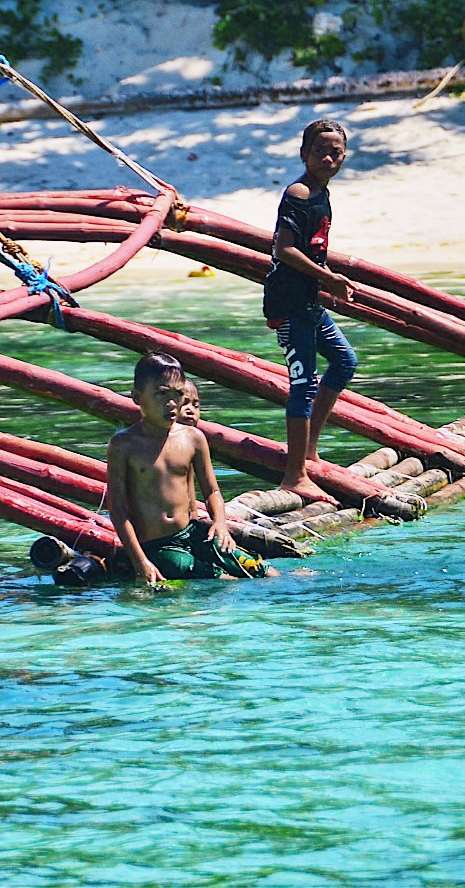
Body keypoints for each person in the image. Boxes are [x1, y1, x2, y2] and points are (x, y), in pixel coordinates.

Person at [106, 352, 270, 584]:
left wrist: (220, 525)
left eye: (178, 394)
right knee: (224, 582)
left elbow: (212, 491)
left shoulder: (193, 438)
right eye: (161, 394)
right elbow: (118, 511)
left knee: (262, 572)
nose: (172, 404)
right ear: (137, 397)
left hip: (195, 533)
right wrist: (140, 561)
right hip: (158, 546)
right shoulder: (124, 445)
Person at [264, 118, 358, 503]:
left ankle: (308, 450)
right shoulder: (299, 194)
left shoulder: (322, 194)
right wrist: (328, 277)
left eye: (335, 151)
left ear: (344, 157)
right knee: (302, 386)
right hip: (288, 304)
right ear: (304, 155)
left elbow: (311, 245)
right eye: (320, 150)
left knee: (344, 361)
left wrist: (326, 279)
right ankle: (294, 475)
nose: (328, 156)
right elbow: (284, 250)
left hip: (308, 302)